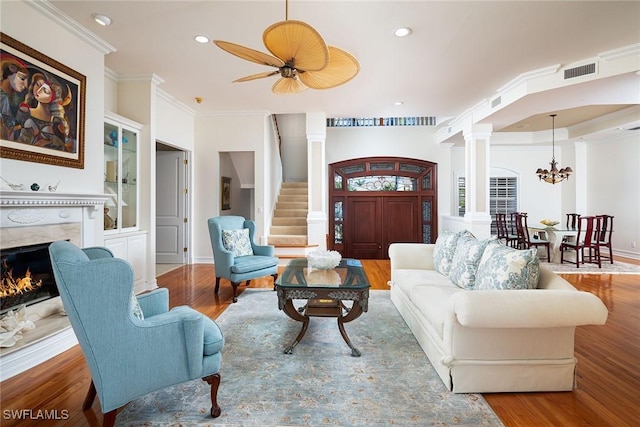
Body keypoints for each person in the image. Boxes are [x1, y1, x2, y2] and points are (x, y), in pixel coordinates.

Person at [16, 71, 72, 151]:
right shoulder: (24, 111)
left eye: (45, 91)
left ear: (54, 98)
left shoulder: (57, 121)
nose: (38, 91)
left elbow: (62, 147)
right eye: (38, 84)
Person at [0, 54, 29, 141]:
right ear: (11, 69)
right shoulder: (2, 98)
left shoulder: (14, 99)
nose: (25, 85)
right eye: (22, 78)